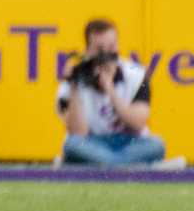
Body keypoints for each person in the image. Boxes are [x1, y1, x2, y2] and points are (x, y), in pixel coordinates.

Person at [56, 17, 164, 164]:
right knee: (72, 145)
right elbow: (78, 132)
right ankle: (130, 167)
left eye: (112, 47)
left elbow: (138, 123)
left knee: (156, 144)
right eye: (100, 49)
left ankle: (104, 166)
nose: (106, 54)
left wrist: (110, 89)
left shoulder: (136, 75)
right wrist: (74, 86)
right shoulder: (73, 79)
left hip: (129, 142)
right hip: (92, 143)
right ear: (88, 51)